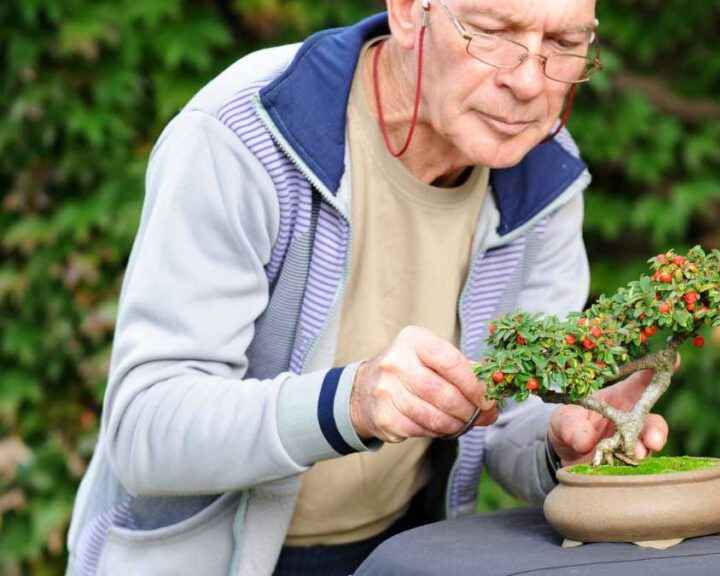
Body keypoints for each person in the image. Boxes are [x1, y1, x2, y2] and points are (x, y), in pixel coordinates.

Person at [64, 1, 669, 574]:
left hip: (398, 551)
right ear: (410, 12)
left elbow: (513, 419)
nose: (531, 83)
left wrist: (562, 443)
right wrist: (349, 402)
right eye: (494, 32)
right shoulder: (243, 133)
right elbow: (146, 428)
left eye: (563, 44)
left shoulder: (545, 173)